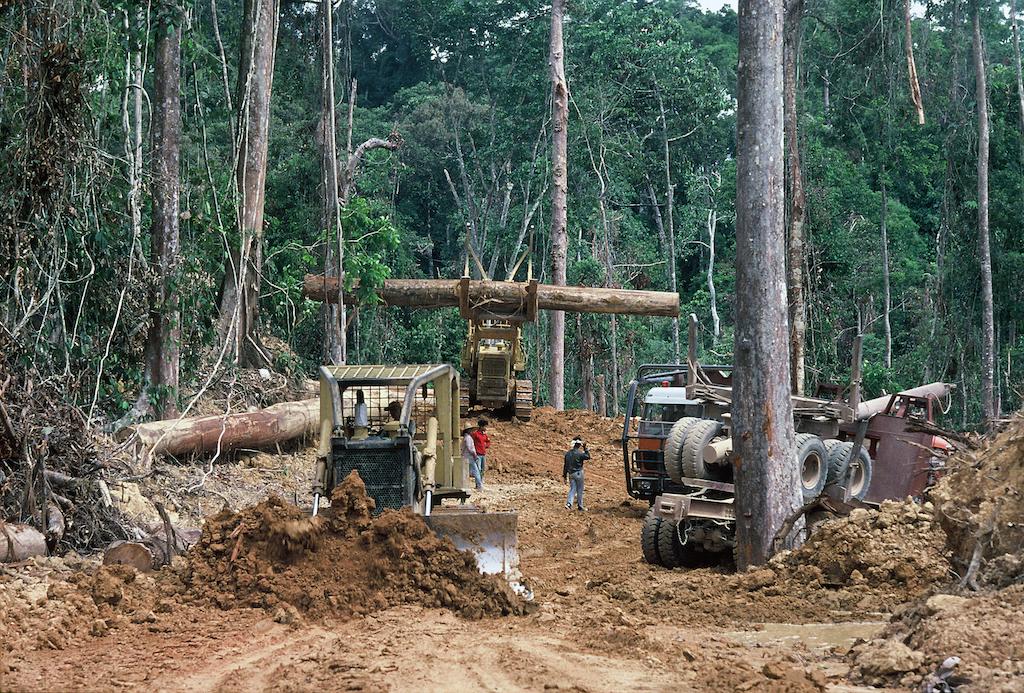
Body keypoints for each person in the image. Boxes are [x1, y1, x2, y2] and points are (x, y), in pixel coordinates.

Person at [562, 436, 590, 511]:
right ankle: (580, 506)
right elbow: (587, 456)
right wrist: (585, 449)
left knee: (572, 489)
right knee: (580, 490)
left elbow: (565, 466)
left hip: (571, 474)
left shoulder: (568, 454)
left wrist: (564, 476)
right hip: (579, 473)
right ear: (579, 445)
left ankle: (569, 504)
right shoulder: (580, 453)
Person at [470, 418, 491, 483]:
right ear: (481, 426)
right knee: (478, 469)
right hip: (477, 454)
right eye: (485, 426)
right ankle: (477, 483)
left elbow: (488, 441)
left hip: (483, 454)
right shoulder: (475, 434)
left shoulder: (484, 434)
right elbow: (471, 441)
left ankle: (481, 481)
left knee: (482, 469)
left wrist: (486, 446)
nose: (486, 428)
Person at [463, 426, 483, 490]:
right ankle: (479, 486)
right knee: (476, 471)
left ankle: (466, 485)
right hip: (470, 457)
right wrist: (474, 455)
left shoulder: (466, 437)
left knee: (466, 472)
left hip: (466, 456)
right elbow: (470, 448)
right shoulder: (468, 438)